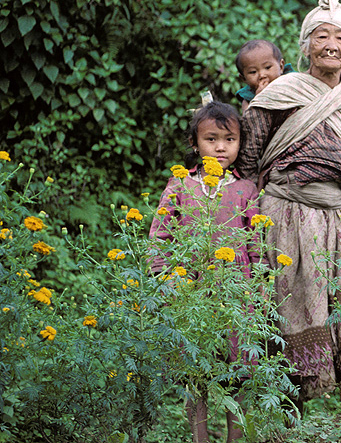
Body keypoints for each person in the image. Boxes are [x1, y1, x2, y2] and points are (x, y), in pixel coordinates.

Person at [237, 0, 341, 410]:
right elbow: (249, 158)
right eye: (321, 36)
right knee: (292, 304)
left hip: (340, 216)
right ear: (305, 45)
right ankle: (288, 412)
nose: (331, 44)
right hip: (286, 214)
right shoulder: (281, 91)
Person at [149, 100, 261, 443]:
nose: (221, 147)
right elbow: (160, 232)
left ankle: (235, 438)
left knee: (237, 370)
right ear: (195, 144)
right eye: (211, 139)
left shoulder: (246, 189)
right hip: (190, 292)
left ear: (240, 143)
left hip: (235, 293)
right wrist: (164, 275)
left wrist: (259, 284)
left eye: (229, 139)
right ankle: (199, 439)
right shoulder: (181, 185)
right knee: (195, 371)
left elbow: (256, 241)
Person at [234, 38, 341, 113]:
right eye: (253, 72)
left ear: (281, 66)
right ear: (243, 78)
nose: (262, 75)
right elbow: (249, 123)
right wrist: (259, 99)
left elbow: (315, 79)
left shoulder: (291, 78)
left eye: (268, 68)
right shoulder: (248, 96)